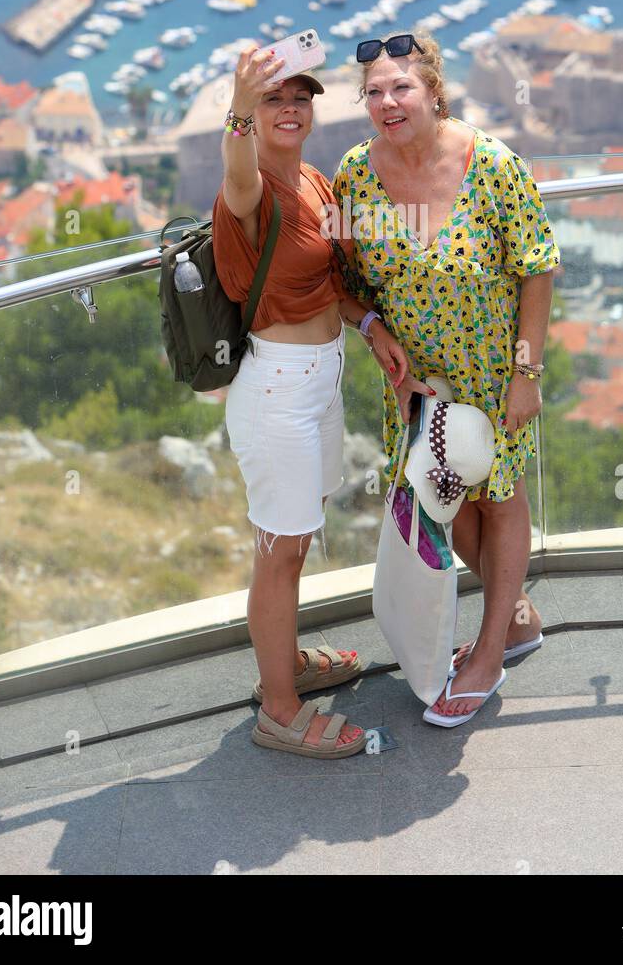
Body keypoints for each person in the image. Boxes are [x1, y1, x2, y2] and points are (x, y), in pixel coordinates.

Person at [333, 30, 560, 724]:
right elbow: (341, 282)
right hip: (419, 384)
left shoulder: (490, 164)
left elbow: (537, 267)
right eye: (374, 92)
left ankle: (489, 652)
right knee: (449, 508)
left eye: (400, 87)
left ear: (434, 90)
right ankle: (516, 616)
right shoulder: (354, 175)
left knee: (501, 499)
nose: (387, 101)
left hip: (494, 374)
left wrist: (527, 374)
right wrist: (372, 333)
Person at [213, 41, 409, 759]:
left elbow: (330, 284)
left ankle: (283, 659)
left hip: (320, 378)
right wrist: (238, 105)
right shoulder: (251, 187)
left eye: (300, 97)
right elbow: (234, 167)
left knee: (299, 533)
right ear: (254, 116)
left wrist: (368, 323)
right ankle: (281, 710)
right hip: (276, 391)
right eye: (275, 99)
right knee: (280, 550)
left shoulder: (316, 184)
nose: (290, 108)